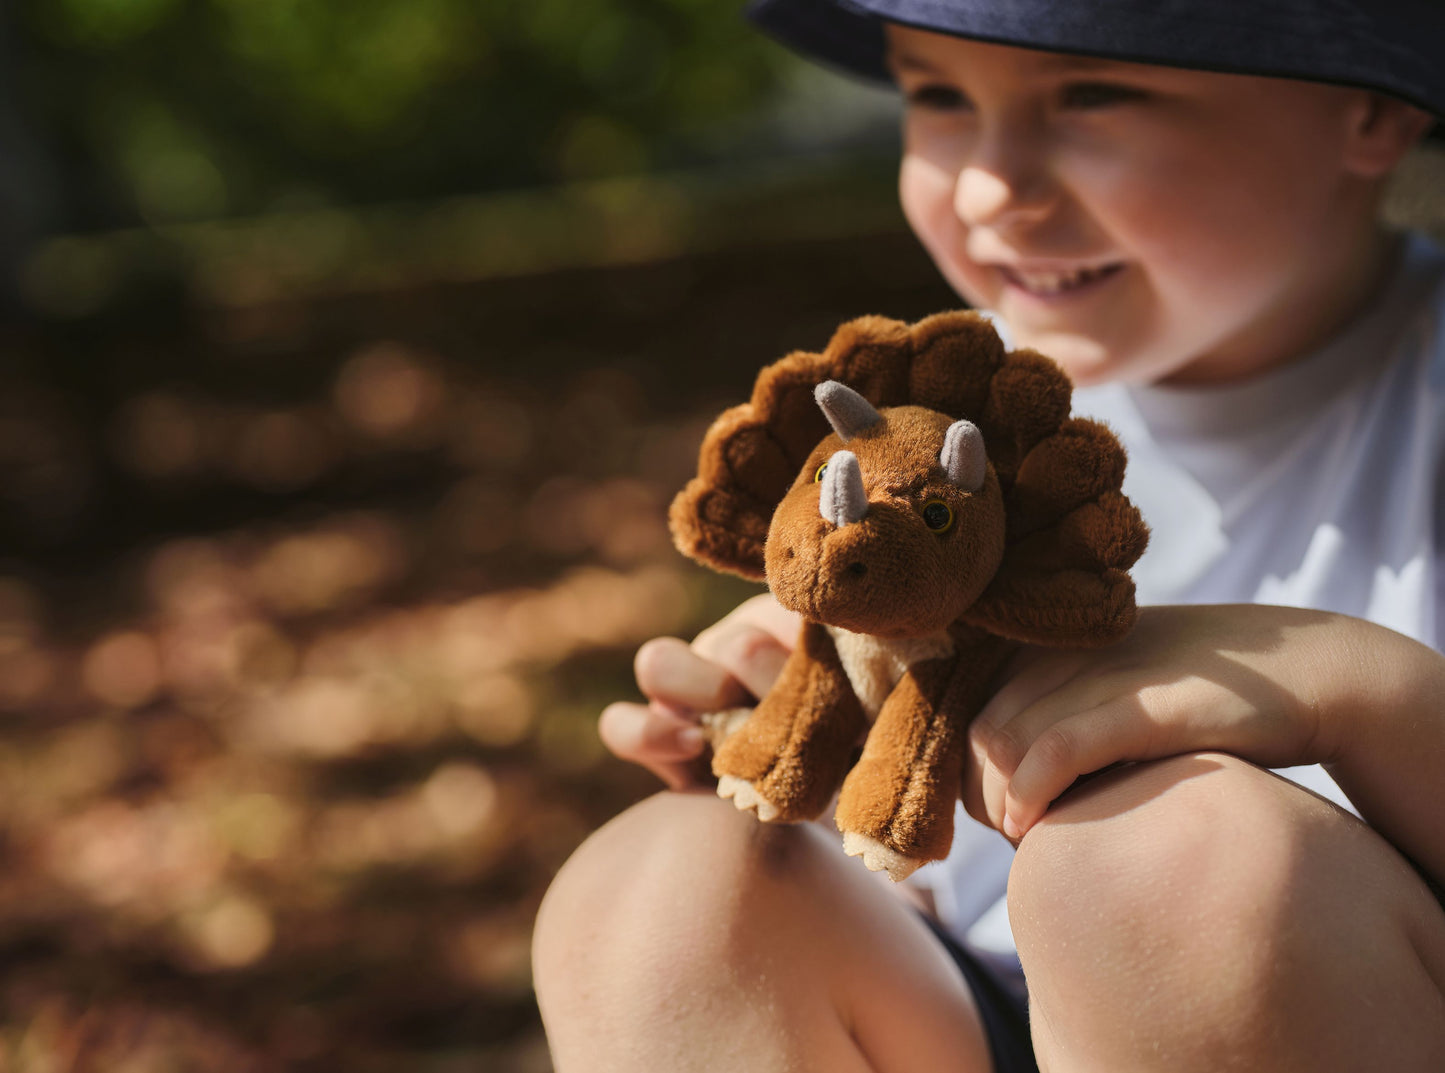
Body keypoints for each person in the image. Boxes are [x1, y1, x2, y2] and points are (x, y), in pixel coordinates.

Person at [531, 2, 1445, 1069]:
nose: (986, 187)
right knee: (661, 891)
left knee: (1168, 862)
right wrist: (815, 748)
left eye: (1092, 92)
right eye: (937, 95)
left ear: (1367, 108)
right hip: (985, 1002)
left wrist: (1359, 692)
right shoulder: (945, 417)